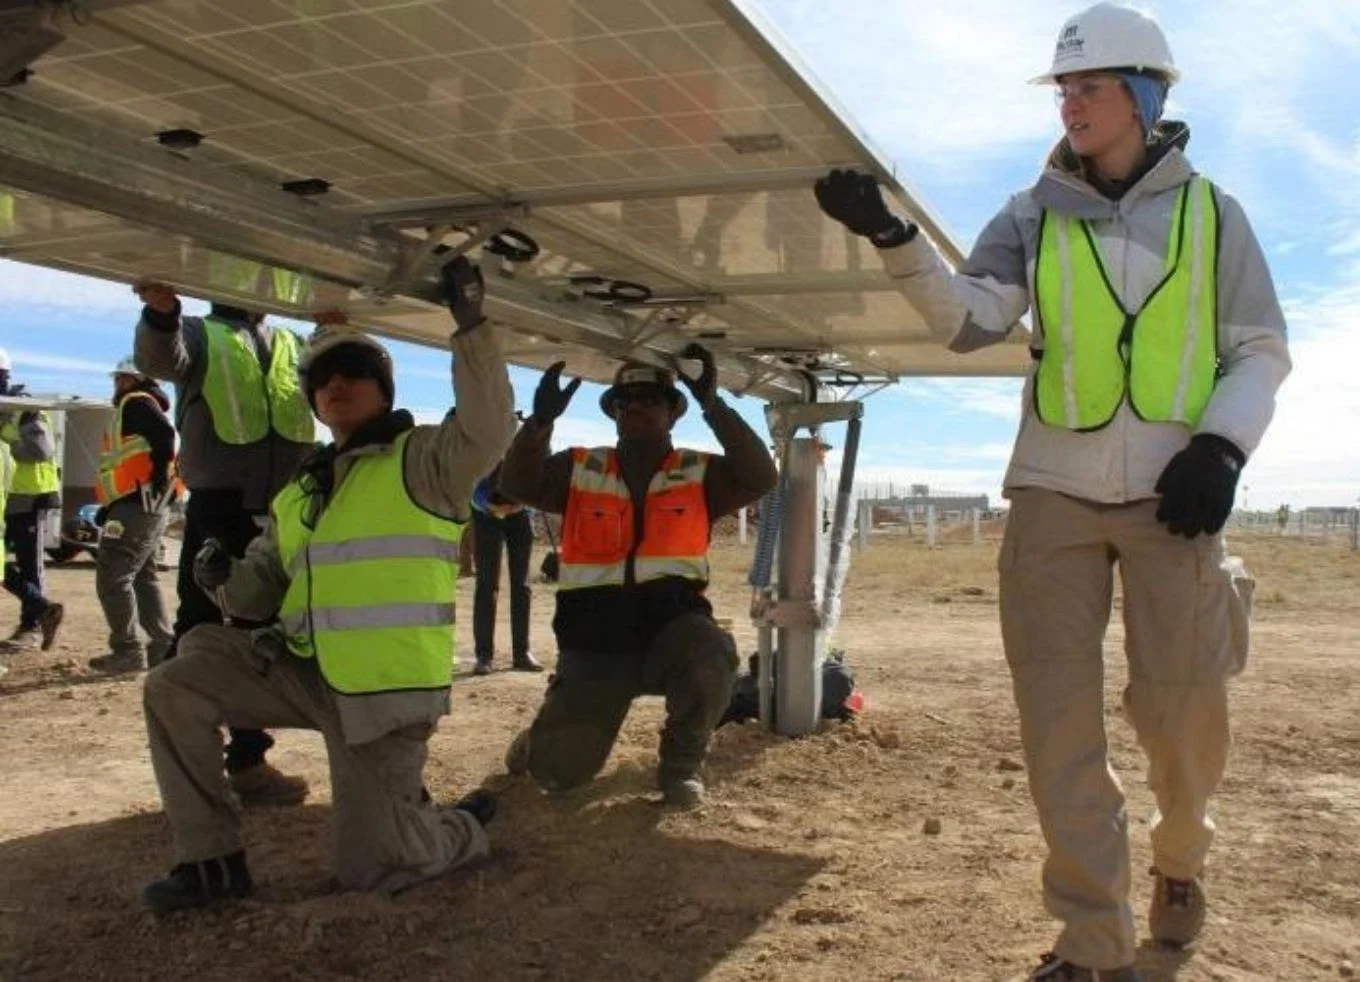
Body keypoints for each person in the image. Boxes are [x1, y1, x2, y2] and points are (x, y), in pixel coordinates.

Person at [814, 4, 1289, 979]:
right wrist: (892, 235)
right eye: (1064, 88)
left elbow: (1259, 351)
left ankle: (1181, 858)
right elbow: (970, 316)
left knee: (1183, 714)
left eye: (1090, 85)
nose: (1070, 101)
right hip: (1051, 492)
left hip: (1177, 495)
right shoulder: (1030, 210)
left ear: (1143, 96)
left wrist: (1221, 448)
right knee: (1058, 726)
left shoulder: (1214, 214)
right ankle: (1091, 940)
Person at [137, 256, 516, 914]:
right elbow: (258, 594)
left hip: (381, 700)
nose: (338, 384)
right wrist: (224, 580)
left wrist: (473, 325)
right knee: (178, 676)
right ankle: (211, 862)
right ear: (312, 398)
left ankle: (454, 827)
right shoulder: (300, 491)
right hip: (305, 676)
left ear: (384, 391)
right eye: (325, 378)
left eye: (356, 375)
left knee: (372, 870)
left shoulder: (425, 461)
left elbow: (488, 427)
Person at [499, 345, 777, 807]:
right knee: (558, 775)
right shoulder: (579, 467)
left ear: (672, 412)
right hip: (595, 647)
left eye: (650, 399)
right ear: (613, 415)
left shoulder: (699, 473)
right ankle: (538, 742)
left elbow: (762, 476)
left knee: (711, 648)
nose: (636, 408)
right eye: (625, 402)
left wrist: (714, 405)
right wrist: (538, 424)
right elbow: (515, 486)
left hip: (670, 639)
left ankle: (681, 769)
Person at [134, 286, 315, 806]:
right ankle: (192, 769)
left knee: (266, 633)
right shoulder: (199, 332)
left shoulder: (289, 341)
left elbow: (329, 381)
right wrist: (161, 314)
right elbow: (158, 357)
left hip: (285, 508)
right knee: (202, 626)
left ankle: (248, 763)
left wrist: (332, 331)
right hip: (220, 507)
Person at [88, 358, 178, 674]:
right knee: (143, 575)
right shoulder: (143, 405)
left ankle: (127, 651)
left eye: (121, 379)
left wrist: (158, 480)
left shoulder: (136, 403)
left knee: (114, 576)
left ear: (134, 380)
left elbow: (165, 435)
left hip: (140, 503)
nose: (117, 385)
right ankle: (162, 647)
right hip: (144, 503)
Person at [0, 347, 64, 653]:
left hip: (31, 497)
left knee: (29, 564)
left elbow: (41, 451)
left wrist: (6, 445)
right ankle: (42, 608)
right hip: (9, 497)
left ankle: (32, 627)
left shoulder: (25, 409)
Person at [470, 461, 542, 675]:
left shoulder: (529, 436)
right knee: (486, 584)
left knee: (521, 585)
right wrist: (489, 505)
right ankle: (484, 656)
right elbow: (470, 477)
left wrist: (524, 504)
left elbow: (539, 475)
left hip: (521, 515)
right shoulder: (486, 435)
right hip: (485, 515)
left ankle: (522, 654)